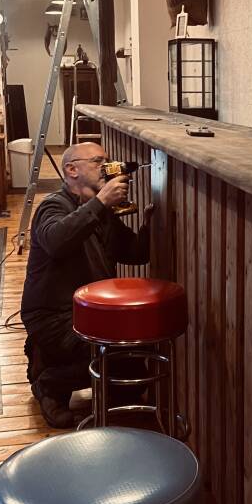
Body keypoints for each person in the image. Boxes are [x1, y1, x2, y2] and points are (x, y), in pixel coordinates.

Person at [20, 143, 153, 428]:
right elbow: (57, 242)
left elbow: (136, 253)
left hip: (91, 312)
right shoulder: (53, 206)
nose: (107, 167)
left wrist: (151, 224)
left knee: (133, 371)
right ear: (72, 169)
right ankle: (49, 383)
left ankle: (56, 362)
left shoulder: (102, 213)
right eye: (98, 161)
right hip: (53, 316)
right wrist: (101, 202)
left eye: (108, 161)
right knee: (114, 353)